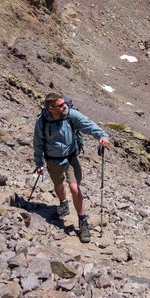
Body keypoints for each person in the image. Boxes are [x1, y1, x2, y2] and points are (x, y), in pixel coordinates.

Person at [33, 92, 111, 243]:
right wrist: (39, 163)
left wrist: (102, 136)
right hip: (52, 159)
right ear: (51, 108)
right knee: (58, 184)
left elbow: (88, 125)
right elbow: (38, 143)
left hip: (70, 157)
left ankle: (82, 222)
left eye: (64, 104)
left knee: (75, 189)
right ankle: (63, 203)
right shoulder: (41, 121)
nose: (65, 107)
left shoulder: (71, 115)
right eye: (61, 105)